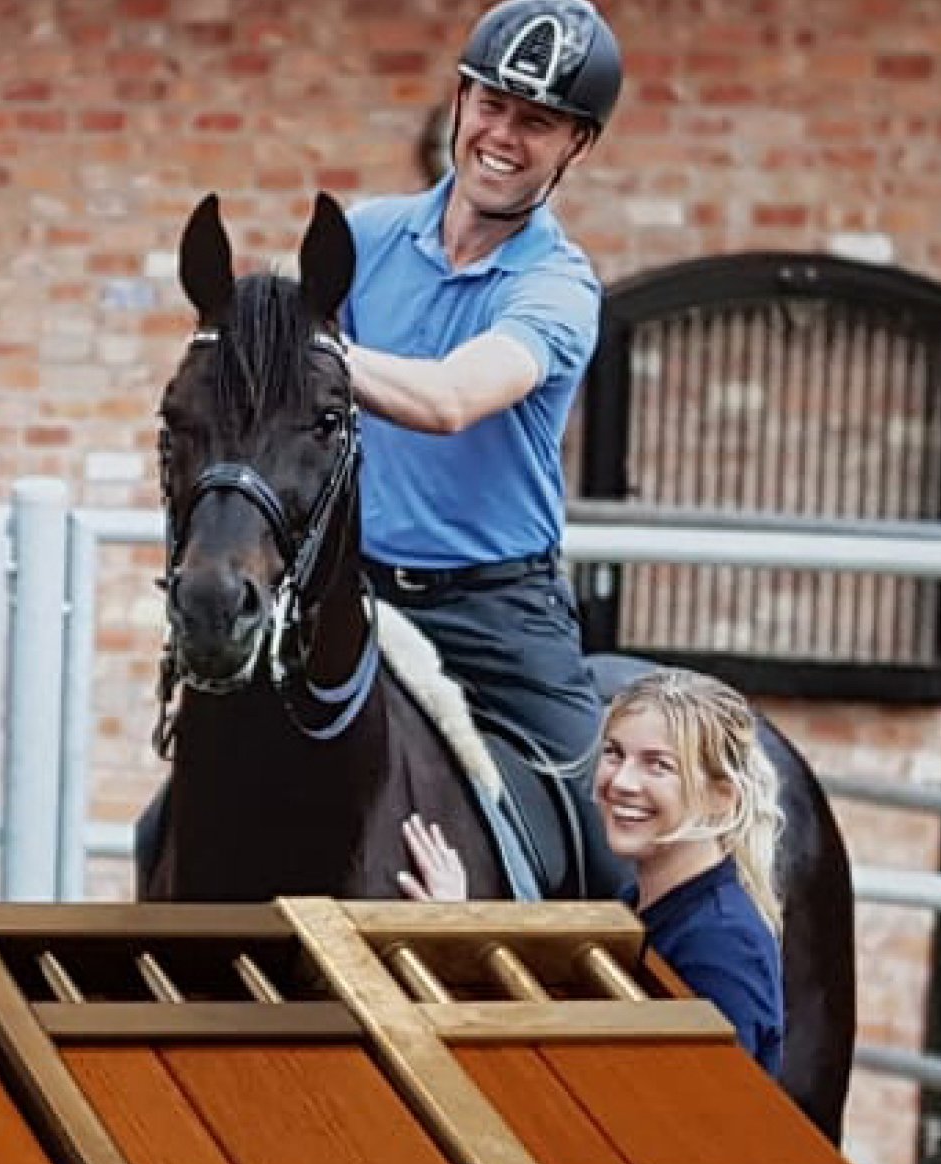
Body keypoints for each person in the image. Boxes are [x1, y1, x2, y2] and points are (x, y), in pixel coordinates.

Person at [345, 0, 623, 775]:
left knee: (601, 834)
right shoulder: (366, 235)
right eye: (492, 104)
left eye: (537, 121)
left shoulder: (558, 286)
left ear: (578, 143)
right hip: (349, 589)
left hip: (493, 614)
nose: (502, 136)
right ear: (461, 100)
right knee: (169, 819)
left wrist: (313, 353)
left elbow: (450, 401)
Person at [399, 668, 786, 1076]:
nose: (621, 781)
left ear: (721, 796)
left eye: (658, 766)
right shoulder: (632, 907)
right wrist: (459, 927)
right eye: (615, 754)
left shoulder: (721, 943)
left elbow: (718, 1118)